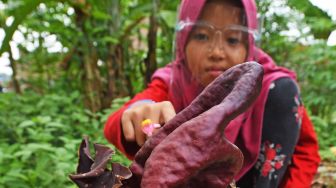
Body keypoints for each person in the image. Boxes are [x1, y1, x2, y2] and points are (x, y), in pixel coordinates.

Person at [104, 0, 320, 187]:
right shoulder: (175, 81)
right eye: (201, 36)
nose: (216, 52)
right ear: (183, 42)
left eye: (233, 39)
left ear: (249, 45)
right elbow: (122, 119)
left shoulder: (272, 86)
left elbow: (306, 151)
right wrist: (138, 112)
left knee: (283, 91)